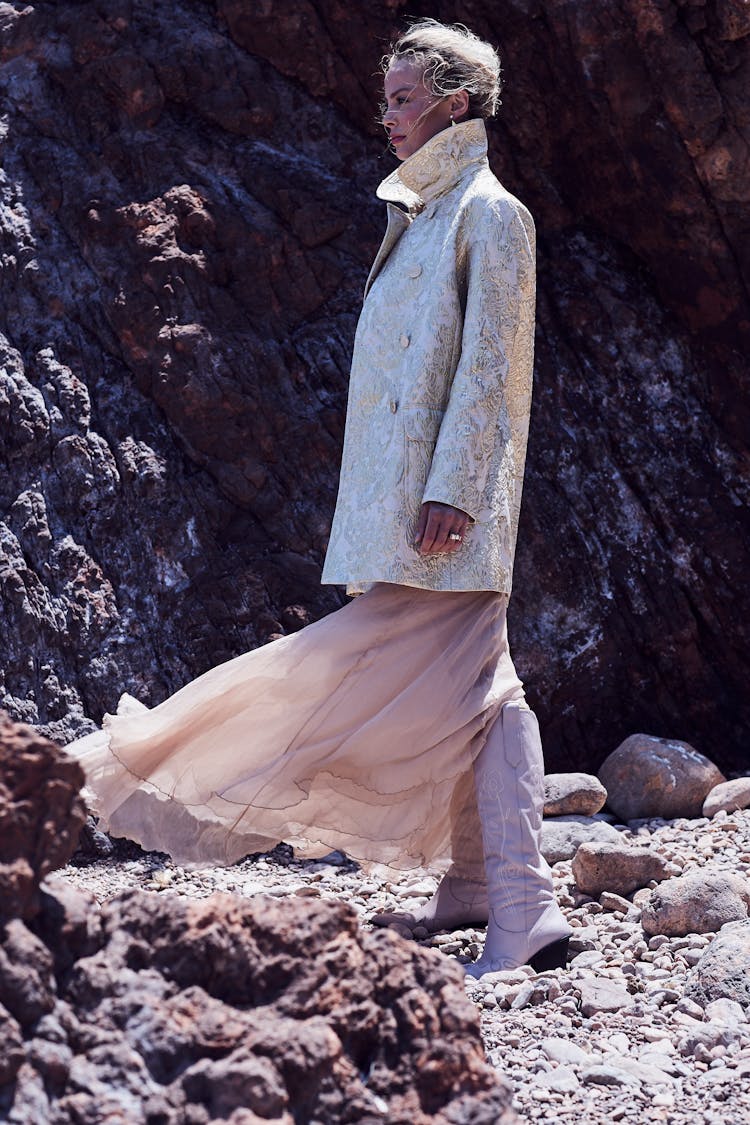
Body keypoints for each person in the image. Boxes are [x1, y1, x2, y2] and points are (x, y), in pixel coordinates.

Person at [64, 18, 571, 977]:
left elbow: (494, 375)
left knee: (336, 668)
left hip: (448, 510)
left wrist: (457, 491)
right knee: (484, 687)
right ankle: (489, 888)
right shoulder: (423, 213)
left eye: (404, 99)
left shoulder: (488, 214)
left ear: (454, 104)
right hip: (408, 509)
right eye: (386, 99)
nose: (387, 117)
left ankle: (141, 761)